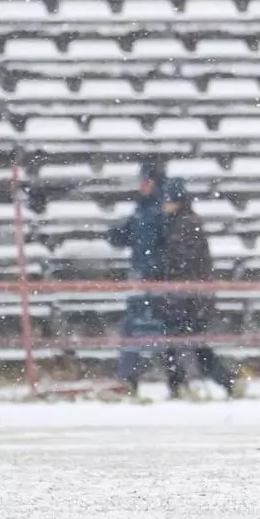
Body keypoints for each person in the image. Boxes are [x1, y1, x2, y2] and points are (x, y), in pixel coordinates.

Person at [157, 178, 248, 399]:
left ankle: (222, 380)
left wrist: (165, 274)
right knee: (183, 344)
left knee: (185, 345)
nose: (164, 204)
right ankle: (187, 384)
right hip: (188, 296)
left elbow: (184, 261)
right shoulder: (183, 222)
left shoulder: (184, 224)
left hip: (188, 298)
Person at [107, 159, 168, 394]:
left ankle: (135, 377)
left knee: (148, 327)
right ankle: (129, 377)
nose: (142, 185)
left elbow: (151, 241)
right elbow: (129, 236)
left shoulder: (156, 210)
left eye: (146, 181)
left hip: (152, 277)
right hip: (143, 274)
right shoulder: (144, 208)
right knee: (135, 326)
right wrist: (117, 233)